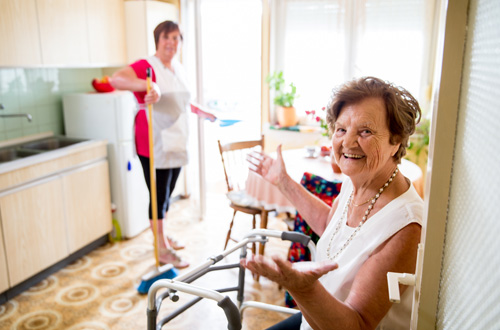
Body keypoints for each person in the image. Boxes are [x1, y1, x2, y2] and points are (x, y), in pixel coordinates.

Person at [245, 76, 423, 329]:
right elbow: (331, 224)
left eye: (365, 131)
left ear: (395, 140)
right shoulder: (357, 177)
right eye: (341, 129)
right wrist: (283, 181)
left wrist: (302, 289)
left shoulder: (406, 226)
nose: (347, 143)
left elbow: (357, 324)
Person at [110, 21, 215, 269]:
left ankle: (163, 237)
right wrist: (149, 86)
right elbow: (116, 80)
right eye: (167, 37)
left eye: (176, 38)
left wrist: (203, 112)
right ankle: (161, 247)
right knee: (157, 196)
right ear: (157, 39)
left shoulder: (177, 68)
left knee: (166, 196)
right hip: (153, 143)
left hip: (177, 141)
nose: (171, 42)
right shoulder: (147, 65)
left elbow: (182, 101)